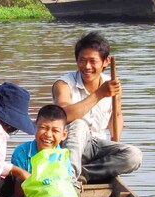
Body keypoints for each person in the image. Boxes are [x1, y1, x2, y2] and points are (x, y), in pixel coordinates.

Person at [52, 31, 142, 182]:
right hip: (69, 144)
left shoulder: (113, 85)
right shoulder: (63, 85)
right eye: (82, 60)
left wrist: (115, 140)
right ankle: (70, 180)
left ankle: (85, 174)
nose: (87, 66)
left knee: (134, 155)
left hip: (97, 145)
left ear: (106, 61)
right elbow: (64, 115)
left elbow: (117, 116)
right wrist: (99, 94)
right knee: (79, 124)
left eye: (93, 61)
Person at [4, 104, 74, 197]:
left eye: (55, 131)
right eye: (43, 128)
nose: (48, 135)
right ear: (35, 127)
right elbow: (19, 193)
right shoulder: (22, 153)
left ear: (64, 135)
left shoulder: (63, 157)